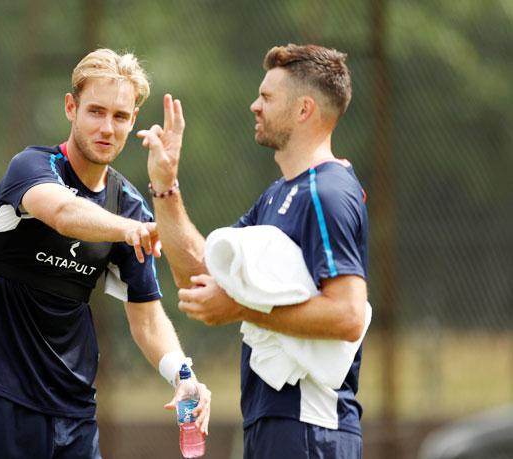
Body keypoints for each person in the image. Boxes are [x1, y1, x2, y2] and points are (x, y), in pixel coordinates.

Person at [0, 48, 211, 459]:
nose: (107, 127)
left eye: (120, 116)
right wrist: (130, 230)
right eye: (95, 111)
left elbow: (147, 317)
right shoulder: (32, 166)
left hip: (72, 412)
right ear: (71, 107)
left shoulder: (129, 203)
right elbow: (64, 213)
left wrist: (182, 373)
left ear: (133, 121)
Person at [138, 43, 368, 458]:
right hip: (273, 428)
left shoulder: (327, 193)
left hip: (311, 431)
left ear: (304, 110)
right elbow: (198, 276)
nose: (254, 106)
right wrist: (165, 185)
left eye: (266, 97)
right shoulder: (279, 195)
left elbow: (348, 315)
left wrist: (241, 308)